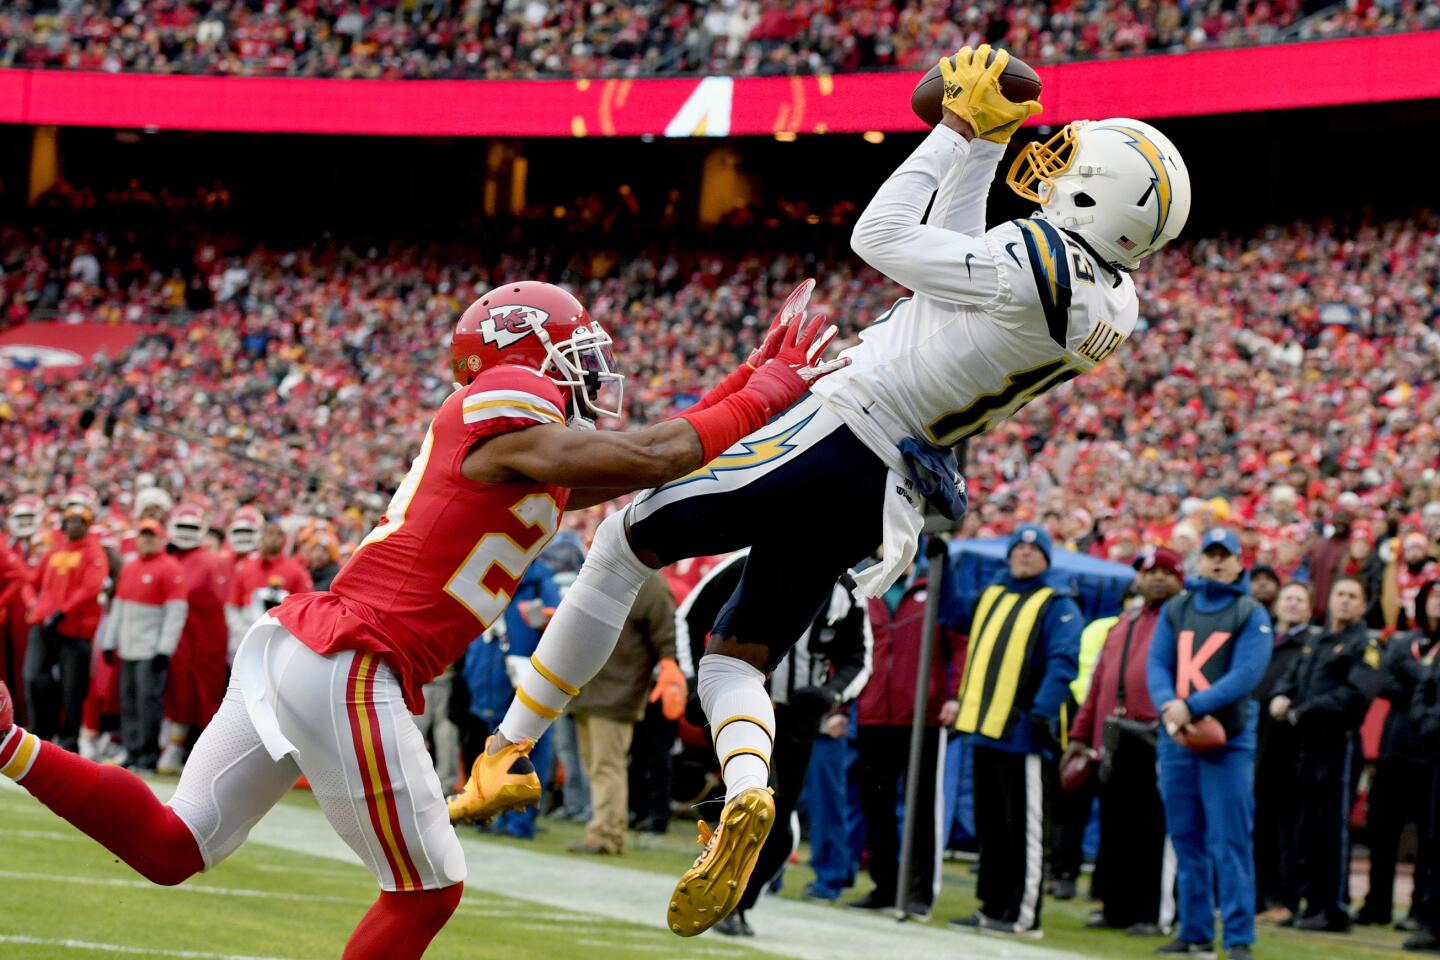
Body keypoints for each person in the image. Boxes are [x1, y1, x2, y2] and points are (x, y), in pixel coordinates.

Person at [478, 44, 1191, 938]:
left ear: (1098, 198)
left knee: (625, 542)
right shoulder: (1104, 299)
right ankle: (747, 795)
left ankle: (508, 747)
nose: (1055, 159)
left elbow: (880, 239)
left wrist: (954, 131)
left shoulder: (1032, 261)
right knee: (738, 654)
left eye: (1077, 162)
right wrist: (973, 156)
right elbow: (962, 257)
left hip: (840, 430)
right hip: (885, 487)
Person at [0, 277, 835, 960]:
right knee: (428, 890)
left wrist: (746, 384)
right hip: (357, 661)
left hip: (312, 649)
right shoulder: (508, 396)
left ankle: (9, 743)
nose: (589, 367)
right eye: (573, 347)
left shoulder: (530, 451)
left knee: (173, 848)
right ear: (523, 352)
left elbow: (646, 460)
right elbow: (655, 453)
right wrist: (763, 393)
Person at [947, 525, 1082, 938]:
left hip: (1023, 730)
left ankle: (1024, 916)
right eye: (1018, 548)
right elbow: (951, 614)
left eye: (1033, 549)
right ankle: (992, 905)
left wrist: (1041, 711)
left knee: (1023, 828)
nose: (1024, 554)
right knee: (992, 827)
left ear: (1046, 558)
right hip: (983, 728)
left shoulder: (1057, 603)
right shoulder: (992, 595)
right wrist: (941, 564)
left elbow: (1064, 661)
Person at [1147, 527, 1272, 960]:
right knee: (1185, 838)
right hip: (1178, 738)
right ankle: (1195, 931)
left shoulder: (1250, 611)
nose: (1218, 561)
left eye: (1227, 554)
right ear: (1199, 560)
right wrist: (1168, 705)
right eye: (1211, 554)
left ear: (1240, 562)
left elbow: (1247, 675)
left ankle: (1238, 939)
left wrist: (1190, 706)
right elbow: (1157, 663)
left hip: (1227, 741)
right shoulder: (1177, 608)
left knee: (1230, 841)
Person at [1068, 546, 1185, 935]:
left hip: (1156, 735)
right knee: (1116, 827)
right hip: (1114, 736)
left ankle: (1152, 913)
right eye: (1150, 571)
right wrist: (1080, 735)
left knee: (1152, 828)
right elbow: (1098, 681)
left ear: (1180, 579)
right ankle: (1116, 907)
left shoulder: (1183, 623)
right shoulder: (1123, 624)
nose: (1156, 578)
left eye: (1166, 572)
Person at [1269, 577, 1384, 932]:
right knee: (1305, 827)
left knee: (1332, 830)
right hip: (1305, 747)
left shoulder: (1366, 644)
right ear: (1329, 600)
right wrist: (1281, 697)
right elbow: (1289, 680)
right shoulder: (1316, 641)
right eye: (1340, 595)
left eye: (1353, 596)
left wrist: (1302, 710)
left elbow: (1354, 696)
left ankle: (1332, 908)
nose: (1345, 601)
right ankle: (1308, 903)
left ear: (1363, 605)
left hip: (1339, 745)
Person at [567, 571, 679, 856]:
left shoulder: (651, 584)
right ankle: (605, 827)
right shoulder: (608, 574)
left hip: (618, 688)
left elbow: (666, 637)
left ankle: (607, 834)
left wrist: (669, 667)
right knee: (595, 763)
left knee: (607, 764)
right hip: (588, 685)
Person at [1357, 580, 1440, 928]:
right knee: (1382, 832)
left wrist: (1415, 676)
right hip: (1394, 749)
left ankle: (1420, 911)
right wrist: (1422, 680)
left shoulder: (1412, 650)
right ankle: (1376, 904)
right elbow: (1383, 681)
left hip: (1429, 754)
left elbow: (1413, 680)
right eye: (1434, 595)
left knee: (1427, 836)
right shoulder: (1405, 641)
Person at [1253, 581, 1320, 923]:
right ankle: (1258, 897)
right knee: (1259, 824)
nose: (1292, 605)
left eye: (1300, 600)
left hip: (1291, 748)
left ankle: (1285, 898)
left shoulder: (1310, 645)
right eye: (1288, 599)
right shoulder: (1261, 641)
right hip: (1257, 744)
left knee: (1287, 828)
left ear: (1310, 608)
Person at [97, 519, 188, 772]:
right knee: (128, 701)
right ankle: (133, 750)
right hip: (128, 645)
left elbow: (176, 612)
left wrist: (164, 649)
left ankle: (147, 754)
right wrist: (109, 642)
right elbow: (119, 608)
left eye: (152, 535)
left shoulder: (170, 568)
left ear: (161, 539)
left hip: (150, 647)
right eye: (143, 535)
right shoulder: (130, 566)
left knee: (147, 701)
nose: (147, 539)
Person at [23, 495, 110, 753]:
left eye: (80, 521)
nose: (74, 525)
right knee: (33, 677)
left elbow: (90, 588)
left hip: (74, 629)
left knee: (73, 688)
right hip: (43, 625)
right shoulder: (54, 550)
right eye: (70, 520)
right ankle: (40, 733)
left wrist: (62, 612)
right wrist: (32, 604)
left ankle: (69, 740)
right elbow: (29, 582)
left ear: (88, 524)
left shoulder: (94, 553)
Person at [158, 503, 233, 775]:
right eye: (182, 526)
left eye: (192, 527)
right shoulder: (166, 558)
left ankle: (193, 751)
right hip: (171, 636)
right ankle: (167, 744)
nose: (186, 533)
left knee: (201, 695)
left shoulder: (213, 561)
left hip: (202, 639)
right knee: (169, 691)